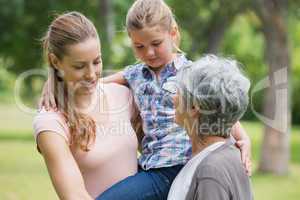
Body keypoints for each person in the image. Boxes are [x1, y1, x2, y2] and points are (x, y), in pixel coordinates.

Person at [40, 1, 251, 199]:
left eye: (156, 43)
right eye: (139, 46)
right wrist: (53, 82)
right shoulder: (135, 75)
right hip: (151, 165)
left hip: (174, 166)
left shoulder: (190, 74)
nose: (149, 52)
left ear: (174, 34)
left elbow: (219, 107)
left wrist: (243, 138)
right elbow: (96, 83)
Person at [33, 11, 138, 199]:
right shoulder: (51, 123)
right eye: (79, 66)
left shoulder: (122, 95)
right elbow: (74, 195)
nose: (91, 74)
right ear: (55, 61)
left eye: (97, 62)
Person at [167, 55, 253, 200]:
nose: (173, 97)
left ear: (194, 107)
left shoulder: (211, 170)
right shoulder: (226, 152)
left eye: (178, 91)